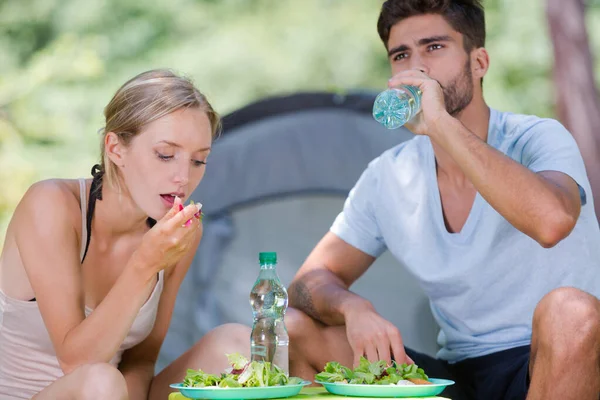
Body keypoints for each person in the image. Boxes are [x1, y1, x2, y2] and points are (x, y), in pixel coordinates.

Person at [285, 1, 600, 400]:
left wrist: (440, 124)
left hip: (551, 360)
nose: (417, 68)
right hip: (454, 375)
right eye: (402, 55)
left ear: (479, 62)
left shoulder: (537, 137)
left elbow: (552, 222)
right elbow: (305, 285)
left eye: (434, 48)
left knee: (570, 311)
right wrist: (352, 308)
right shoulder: (390, 175)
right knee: (295, 328)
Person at [0, 69, 250, 400]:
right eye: (165, 155)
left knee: (237, 344)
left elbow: (142, 359)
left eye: (198, 160)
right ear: (116, 149)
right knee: (101, 381)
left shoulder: (181, 231)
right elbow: (76, 362)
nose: (182, 177)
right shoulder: (52, 206)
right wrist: (145, 263)